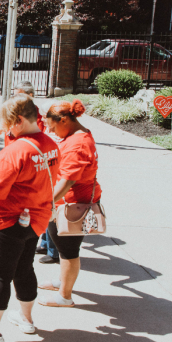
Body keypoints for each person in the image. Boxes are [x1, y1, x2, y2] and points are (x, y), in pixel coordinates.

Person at [0, 94, 60, 342]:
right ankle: (26, 319)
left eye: (7, 124)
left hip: (4, 223)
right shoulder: (51, 145)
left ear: (18, 120)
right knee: (25, 269)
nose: (5, 130)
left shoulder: (13, 153)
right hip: (35, 220)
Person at [0, 81, 58, 264]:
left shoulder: (33, 120)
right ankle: (44, 243)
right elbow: (3, 128)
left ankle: (51, 248)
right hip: (19, 168)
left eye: (18, 95)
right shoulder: (19, 118)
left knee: (3, 273)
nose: (14, 97)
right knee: (25, 264)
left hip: (24, 169)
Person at [38, 99, 102, 307]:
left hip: (72, 206)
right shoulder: (79, 136)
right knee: (64, 248)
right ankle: (62, 282)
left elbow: (67, 180)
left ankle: (64, 296)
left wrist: (47, 202)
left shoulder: (77, 144)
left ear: (64, 120)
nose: (53, 132)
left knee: (68, 251)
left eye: (54, 127)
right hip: (69, 202)